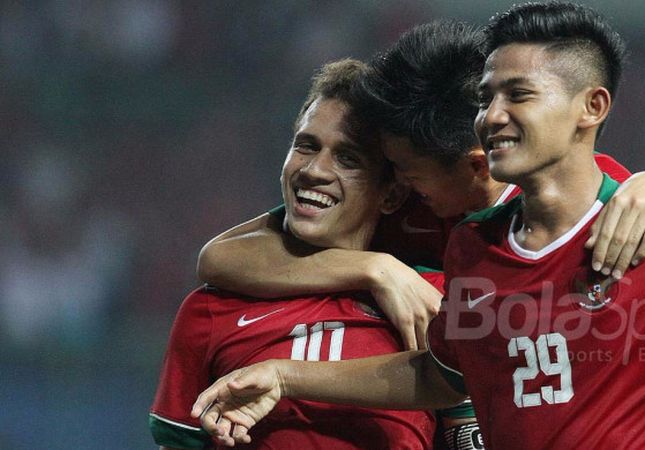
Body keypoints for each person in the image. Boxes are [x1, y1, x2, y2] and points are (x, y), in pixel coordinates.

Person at [191, 3, 645, 449]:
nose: (494, 113)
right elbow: (442, 374)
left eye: (519, 96)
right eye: (487, 97)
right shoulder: (472, 249)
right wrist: (286, 375)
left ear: (591, 107)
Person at [196, 20, 645, 352]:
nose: (397, 181)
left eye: (405, 167)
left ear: (475, 166)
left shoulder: (570, 196)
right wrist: (376, 268)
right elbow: (221, 258)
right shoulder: (398, 206)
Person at [150, 59, 437, 449]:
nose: (315, 170)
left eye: (348, 158)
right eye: (306, 146)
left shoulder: (426, 296)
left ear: (392, 194)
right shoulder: (210, 310)